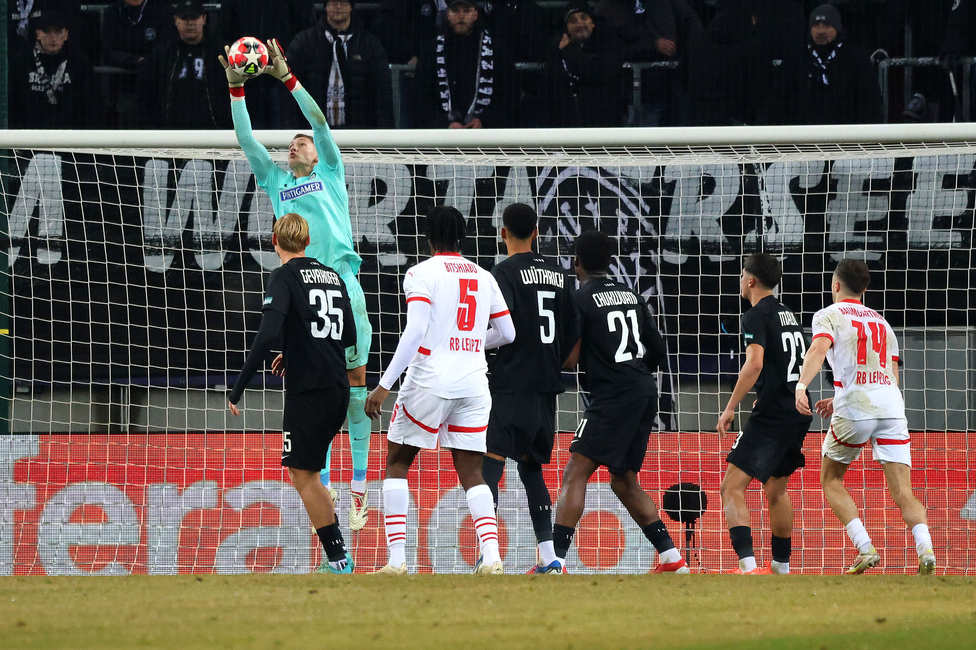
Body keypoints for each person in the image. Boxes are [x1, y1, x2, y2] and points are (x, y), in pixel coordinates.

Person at [221, 39, 375, 532]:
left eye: (301, 141)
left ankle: (360, 487)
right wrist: (236, 91)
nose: (296, 143)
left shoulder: (330, 170)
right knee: (314, 390)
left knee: (353, 384)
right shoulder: (277, 182)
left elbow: (321, 122)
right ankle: (324, 483)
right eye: (292, 142)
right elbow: (247, 143)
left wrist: (287, 78)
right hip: (305, 292)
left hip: (342, 284)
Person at [365, 206, 516, 575]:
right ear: (462, 237)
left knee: (398, 462)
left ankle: (398, 562)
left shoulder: (421, 273)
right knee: (471, 472)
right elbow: (508, 333)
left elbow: (415, 331)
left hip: (430, 380)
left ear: (429, 237)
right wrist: (471, 343)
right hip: (473, 382)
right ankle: (493, 558)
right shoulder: (484, 276)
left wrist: (383, 386)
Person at [227, 213, 355, 574]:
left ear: (273, 241)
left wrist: (238, 388)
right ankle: (339, 557)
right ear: (308, 240)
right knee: (308, 472)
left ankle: (338, 560)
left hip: (310, 390)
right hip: (337, 387)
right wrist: (298, 349)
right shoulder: (332, 275)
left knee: (302, 475)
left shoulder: (283, 276)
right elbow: (348, 338)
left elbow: (267, 335)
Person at [552, 230, 686, 574]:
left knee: (575, 471)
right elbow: (657, 350)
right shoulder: (631, 295)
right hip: (644, 391)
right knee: (623, 478)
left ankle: (554, 562)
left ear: (575, 263)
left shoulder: (580, 300)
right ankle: (672, 559)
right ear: (610, 262)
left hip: (613, 396)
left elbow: (570, 359)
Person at [795, 259, 936, 575]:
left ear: (835, 285)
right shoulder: (883, 323)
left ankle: (865, 548)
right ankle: (926, 550)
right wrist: (841, 393)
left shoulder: (828, 315)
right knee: (904, 492)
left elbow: (818, 350)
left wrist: (802, 386)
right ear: (865, 288)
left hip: (857, 409)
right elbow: (890, 374)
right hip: (891, 408)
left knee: (830, 478)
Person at [482, 203, 579, 574]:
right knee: (531, 467)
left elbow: (494, 327)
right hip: (546, 387)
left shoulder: (501, 274)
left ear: (502, 233)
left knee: (489, 462)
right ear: (536, 232)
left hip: (509, 382)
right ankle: (550, 557)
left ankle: (490, 554)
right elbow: (573, 339)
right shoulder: (559, 274)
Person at [715, 253, 811, 575]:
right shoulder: (788, 313)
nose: (741, 280)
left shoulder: (754, 315)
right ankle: (780, 568)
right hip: (799, 407)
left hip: (775, 413)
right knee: (776, 487)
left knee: (731, 486)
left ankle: (748, 568)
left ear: (751, 280)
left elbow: (754, 364)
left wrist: (730, 408)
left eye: (743, 275)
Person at [762, 4, 882, 125]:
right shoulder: (796, 58)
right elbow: (777, 100)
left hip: (845, 135)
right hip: (803, 135)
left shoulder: (856, 58)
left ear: (837, 28)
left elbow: (870, 103)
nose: (820, 31)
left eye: (826, 26)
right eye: (816, 26)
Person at [285, 0, 394, 129]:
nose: (338, 6)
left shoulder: (370, 44)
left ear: (351, 7)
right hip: (313, 132)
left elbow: (382, 96)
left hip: (358, 132)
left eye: (343, 2)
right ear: (326, 6)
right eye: (333, 2)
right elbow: (288, 90)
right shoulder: (304, 41)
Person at [414, 0, 515, 128]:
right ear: (448, 15)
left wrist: (484, 121)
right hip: (443, 138)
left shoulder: (497, 49)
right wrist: (445, 124)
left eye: (466, 11)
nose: (461, 16)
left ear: (475, 14)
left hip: (486, 135)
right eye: (456, 11)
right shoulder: (431, 50)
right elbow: (421, 97)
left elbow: (509, 94)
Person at [220, 0, 314, 128]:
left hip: (283, 75)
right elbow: (225, 29)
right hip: (246, 78)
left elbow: (305, 28)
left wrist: (288, 58)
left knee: (284, 130)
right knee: (249, 129)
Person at [137, 0, 230, 129]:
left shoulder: (222, 52)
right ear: (176, 20)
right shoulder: (161, 53)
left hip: (214, 131)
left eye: (194, 17)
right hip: (171, 132)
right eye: (185, 18)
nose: (190, 23)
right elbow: (146, 93)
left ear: (203, 19)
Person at [9, 9, 101, 129]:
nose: (53, 38)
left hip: (70, 137)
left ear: (66, 34)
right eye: (47, 31)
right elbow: (13, 103)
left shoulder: (79, 62)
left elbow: (92, 104)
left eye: (58, 32)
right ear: (38, 34)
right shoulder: (21, 61)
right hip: (30, 135)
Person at [546, 4, 625, 127]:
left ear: (592, 23)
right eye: (573, 21)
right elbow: (550, 87)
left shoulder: (608, 43)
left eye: (584, 18)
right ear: (566, 29)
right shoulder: (556, 50)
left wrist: (570, 50)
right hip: (567, 123)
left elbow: (601, 72)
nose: (580, 24)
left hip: (603, 122)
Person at [100, 0, 174, 126]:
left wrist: (149, 62)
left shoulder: (164, 10)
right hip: (125, 86)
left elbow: (167, 47)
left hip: (160, 85)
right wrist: (135, 61)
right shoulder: (112, 12)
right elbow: (108, 52)